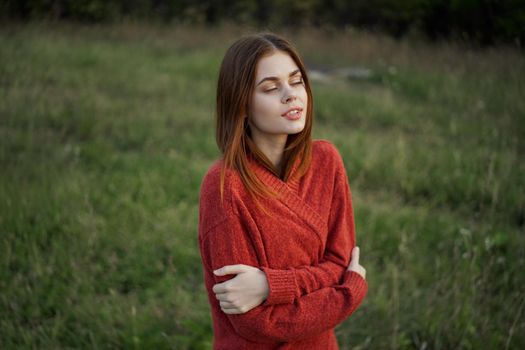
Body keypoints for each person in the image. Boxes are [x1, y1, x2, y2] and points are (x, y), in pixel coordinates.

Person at [198, 32, 367, 349]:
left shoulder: (326, 161)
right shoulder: (224, 186)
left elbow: (339, 263)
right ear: (242, 104)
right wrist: (348, 293)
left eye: (297, 81)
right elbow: (253, 322)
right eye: (271, 88)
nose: (291, 95)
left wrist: (269, 285)